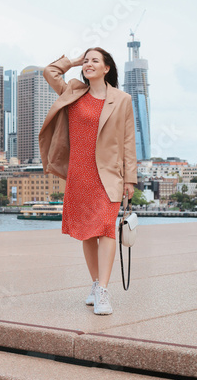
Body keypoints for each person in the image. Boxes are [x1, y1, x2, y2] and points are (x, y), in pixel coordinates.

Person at [39, 48, 137, 315]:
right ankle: (95, 284)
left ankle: (103, 290)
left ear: (107, 68)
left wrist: (130, 178)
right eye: (87, 60)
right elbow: (50, 71)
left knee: (106, 229)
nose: (89, 64)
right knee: (87, 233)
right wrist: (71, 62)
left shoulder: (122, 99)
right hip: (79, 174)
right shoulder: (73, 91)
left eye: (95, 60)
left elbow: (129, 140)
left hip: (109, 175)